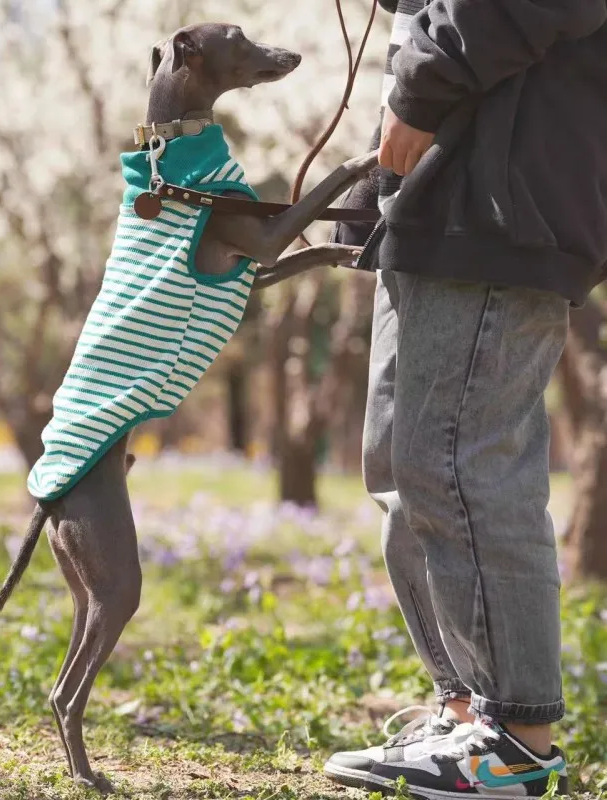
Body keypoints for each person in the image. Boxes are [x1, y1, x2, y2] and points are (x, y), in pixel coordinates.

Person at [323, 0, 607, 796]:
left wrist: (419, 88)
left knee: (461, 462)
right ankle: (466, 713)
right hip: (438, 191)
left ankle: (514, 742)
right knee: (403, 466)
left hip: (503, 192)